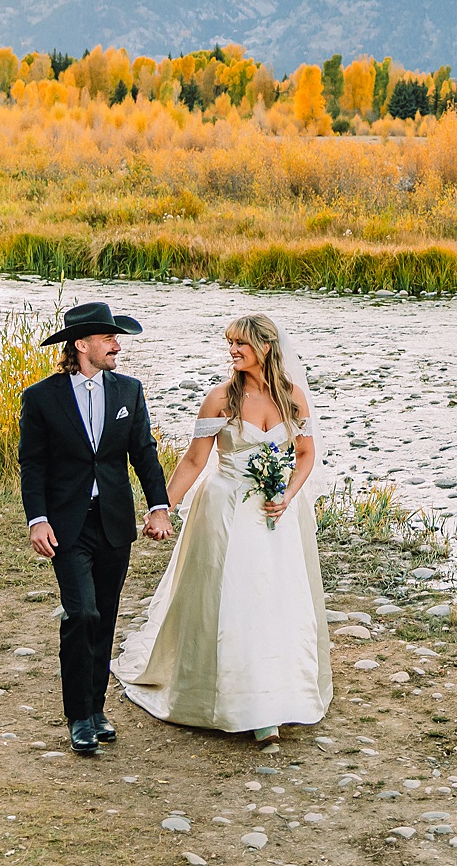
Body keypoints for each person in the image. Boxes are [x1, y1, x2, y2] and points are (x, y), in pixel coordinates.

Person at [112, 312, 332, 742]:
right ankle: (232, 698)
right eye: (230, 342)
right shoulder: (220, 399)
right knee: (229, 599)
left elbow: (306, 454)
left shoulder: (292, 397)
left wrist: (288, 494)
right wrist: (162, 508)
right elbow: (195, 459)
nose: (232, 350)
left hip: (275, 512)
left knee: (275, 599)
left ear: (266, 347)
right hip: (225, 509)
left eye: (240, 344)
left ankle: (278, 695)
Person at [19, 301, 172, 757]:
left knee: (104, 615)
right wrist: (37, 519)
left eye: (115, 338)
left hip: (113, 522)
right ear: (81, 344)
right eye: (108, 338)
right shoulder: (41, 398)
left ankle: (97, 709)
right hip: (66, 526)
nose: (116, 346)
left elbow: (144, 453)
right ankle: (78, 717)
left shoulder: (129, 391)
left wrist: (159, 508)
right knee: (82, 613)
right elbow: (33, 464)